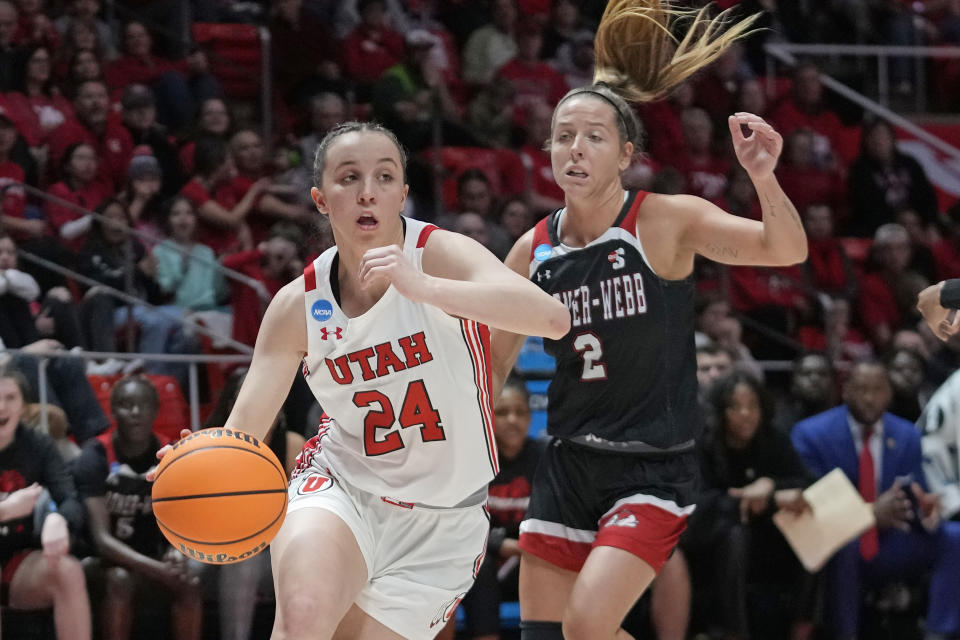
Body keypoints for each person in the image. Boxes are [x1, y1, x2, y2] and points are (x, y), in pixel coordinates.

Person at [154, 120, 570, 640]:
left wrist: (423, 287)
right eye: (349, 177)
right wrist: (202, 459)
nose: (367, 191)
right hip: (341, 486)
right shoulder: (295, 306)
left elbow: (551, 318)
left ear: (403, 194)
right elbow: (243, 436)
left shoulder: (439, 255)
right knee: (303, 618)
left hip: (444, 521)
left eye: (384, 176)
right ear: (321, 199)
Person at [487, 2, 808, 639]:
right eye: (563, 136)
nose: (575, 149)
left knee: (586, 627)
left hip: (652, 467)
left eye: (594, 137)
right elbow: (490, 369)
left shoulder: (662, 220)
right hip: (568, 463)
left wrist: (764, 178)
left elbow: (787, 249)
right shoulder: (531, 250)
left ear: (626, 154)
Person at [792, 360, 960, 640]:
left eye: (878, 390)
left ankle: (939, 631)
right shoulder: (811, 434)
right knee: (845, 543)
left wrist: (927, 507)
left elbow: (916, 488)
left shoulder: (906, 434)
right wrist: (869, 513)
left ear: (889, 393)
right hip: (840, 540)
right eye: (862, 390)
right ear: (845, 391)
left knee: (954, 537)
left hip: (892, 537)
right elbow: (813, 504)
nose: (870, 398)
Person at [683, 371, 813, 640]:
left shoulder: (772, 438)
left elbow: (806, 482)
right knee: (735, 534)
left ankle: (803, 625)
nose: (746, 414)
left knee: (811, 520)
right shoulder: (702, 444)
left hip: (767, 542)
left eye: (753, 406)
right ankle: (734, 632)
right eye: (736, 407)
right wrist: (744, 500)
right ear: (720, 411)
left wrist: (771, 486)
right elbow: (697, 508)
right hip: (711, 547)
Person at [73, 376, 203, 640]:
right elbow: (101, 541)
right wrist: (158, 570)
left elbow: (185, 519)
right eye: (125, 405)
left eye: (142, 405)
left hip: (151, 557)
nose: (134, 412)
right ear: (112, 411)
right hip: (101, 562)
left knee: (190, 584)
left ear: (155, 410)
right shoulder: (95, 455)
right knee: (120, 580)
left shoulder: (171, 454)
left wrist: (177, 552)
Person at [0, 364, 92, 640]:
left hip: (18, 564)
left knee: (68, 570)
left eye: (10, 398)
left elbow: (70, 499)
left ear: (23, 406)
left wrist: (57, 519)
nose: (1, 407)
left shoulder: (38, 445)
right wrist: (5, 510)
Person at [459, 376, 546, 640]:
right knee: (478, 564)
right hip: (482, 559)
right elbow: (461, 524)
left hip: (528, 558)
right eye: (503, 412)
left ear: (530, 419)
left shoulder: (545, 457)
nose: (512, 420)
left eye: (520, 412)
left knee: (551, 564)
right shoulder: (473, 458)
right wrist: (501, 546)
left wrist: (524, 548)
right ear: (489, 415)